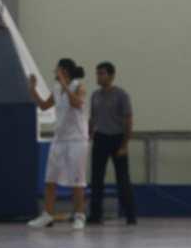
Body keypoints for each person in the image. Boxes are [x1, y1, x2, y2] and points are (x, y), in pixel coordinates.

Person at [28, 59, 89, 230]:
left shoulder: (79, 86)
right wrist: (32, 89)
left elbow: (76, 103)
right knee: (50, 179)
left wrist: (65, 85)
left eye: (57, 69)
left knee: (77, 181)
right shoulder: (55, 89)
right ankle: (47, 214)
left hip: (77, 140)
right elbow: (44, 105)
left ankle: (79, 215)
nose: (54, 71)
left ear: (64, 71)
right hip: (59, 139)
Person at [87, 62, 137, 225]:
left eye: (102, 73)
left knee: (122, 179)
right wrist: (89, 133)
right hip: (100, 138)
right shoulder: (95, 95)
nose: (99, 77)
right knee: (96, 178)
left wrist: (124, 144)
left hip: (117, 138)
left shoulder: (121, 95)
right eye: (97, 73)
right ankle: (95, 215)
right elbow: (93, 118)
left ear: (111, 75)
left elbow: (128, 120)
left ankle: (130, 215)